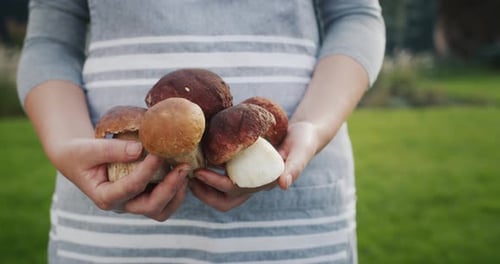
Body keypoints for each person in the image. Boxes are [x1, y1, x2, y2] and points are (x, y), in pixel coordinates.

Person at [17, 0, 385, 263]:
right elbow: (50, 40)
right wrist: (65, 141)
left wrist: (313, 127)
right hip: (110, 228)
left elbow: (355, 14)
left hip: (292, 214)